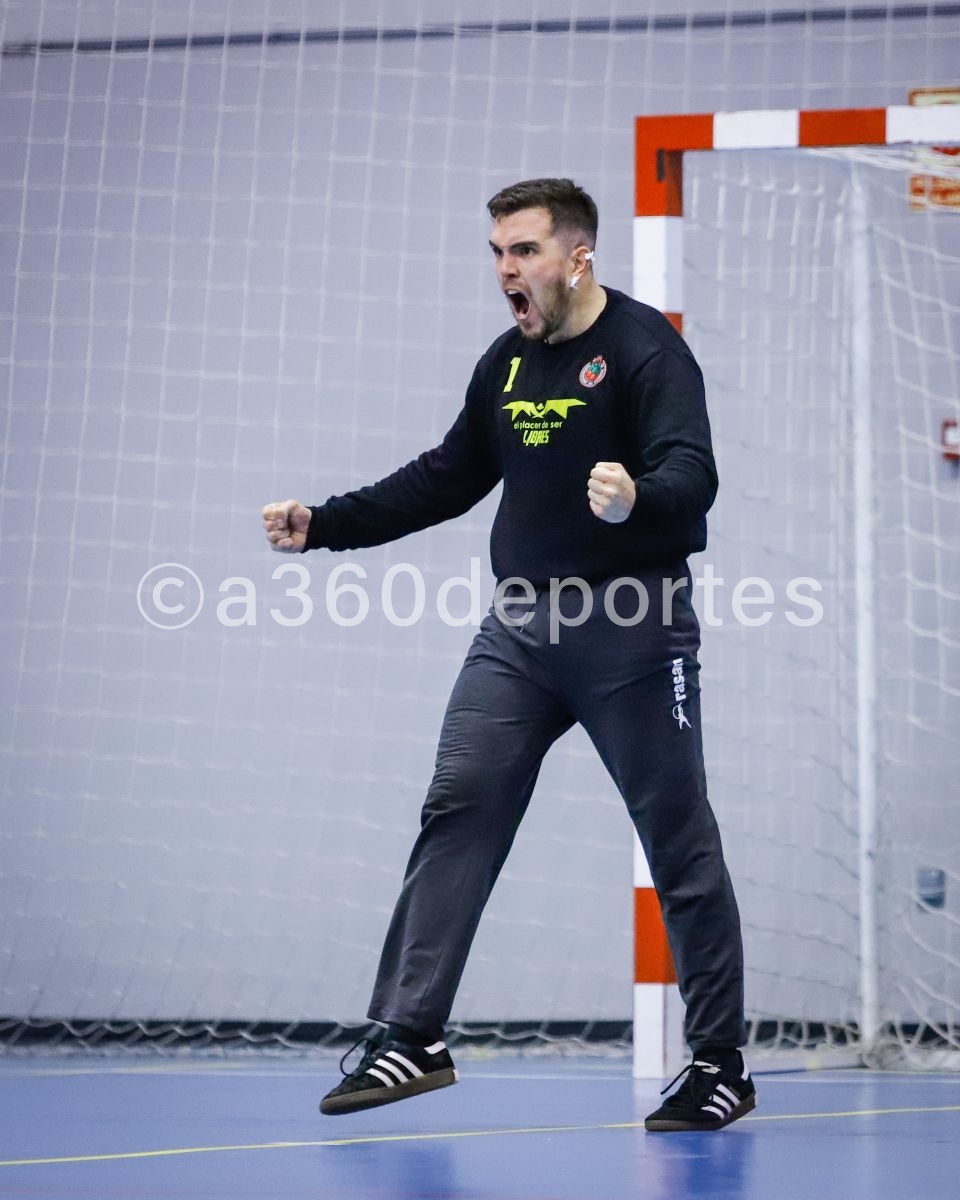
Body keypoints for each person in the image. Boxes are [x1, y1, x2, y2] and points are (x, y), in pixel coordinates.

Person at [261, 178, 755, 1132]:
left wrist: (639, 497)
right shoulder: (508, 362)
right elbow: (446, 476)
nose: (504, 270)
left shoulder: (647, 351)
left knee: (677, 835)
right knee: (460, 803)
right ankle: (412, 1034)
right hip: (521, 631)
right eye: (497, 252)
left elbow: (693, 474)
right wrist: (325, 523)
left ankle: (719, 1061)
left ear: (578, 257)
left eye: (523, 251)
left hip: (634, 628)